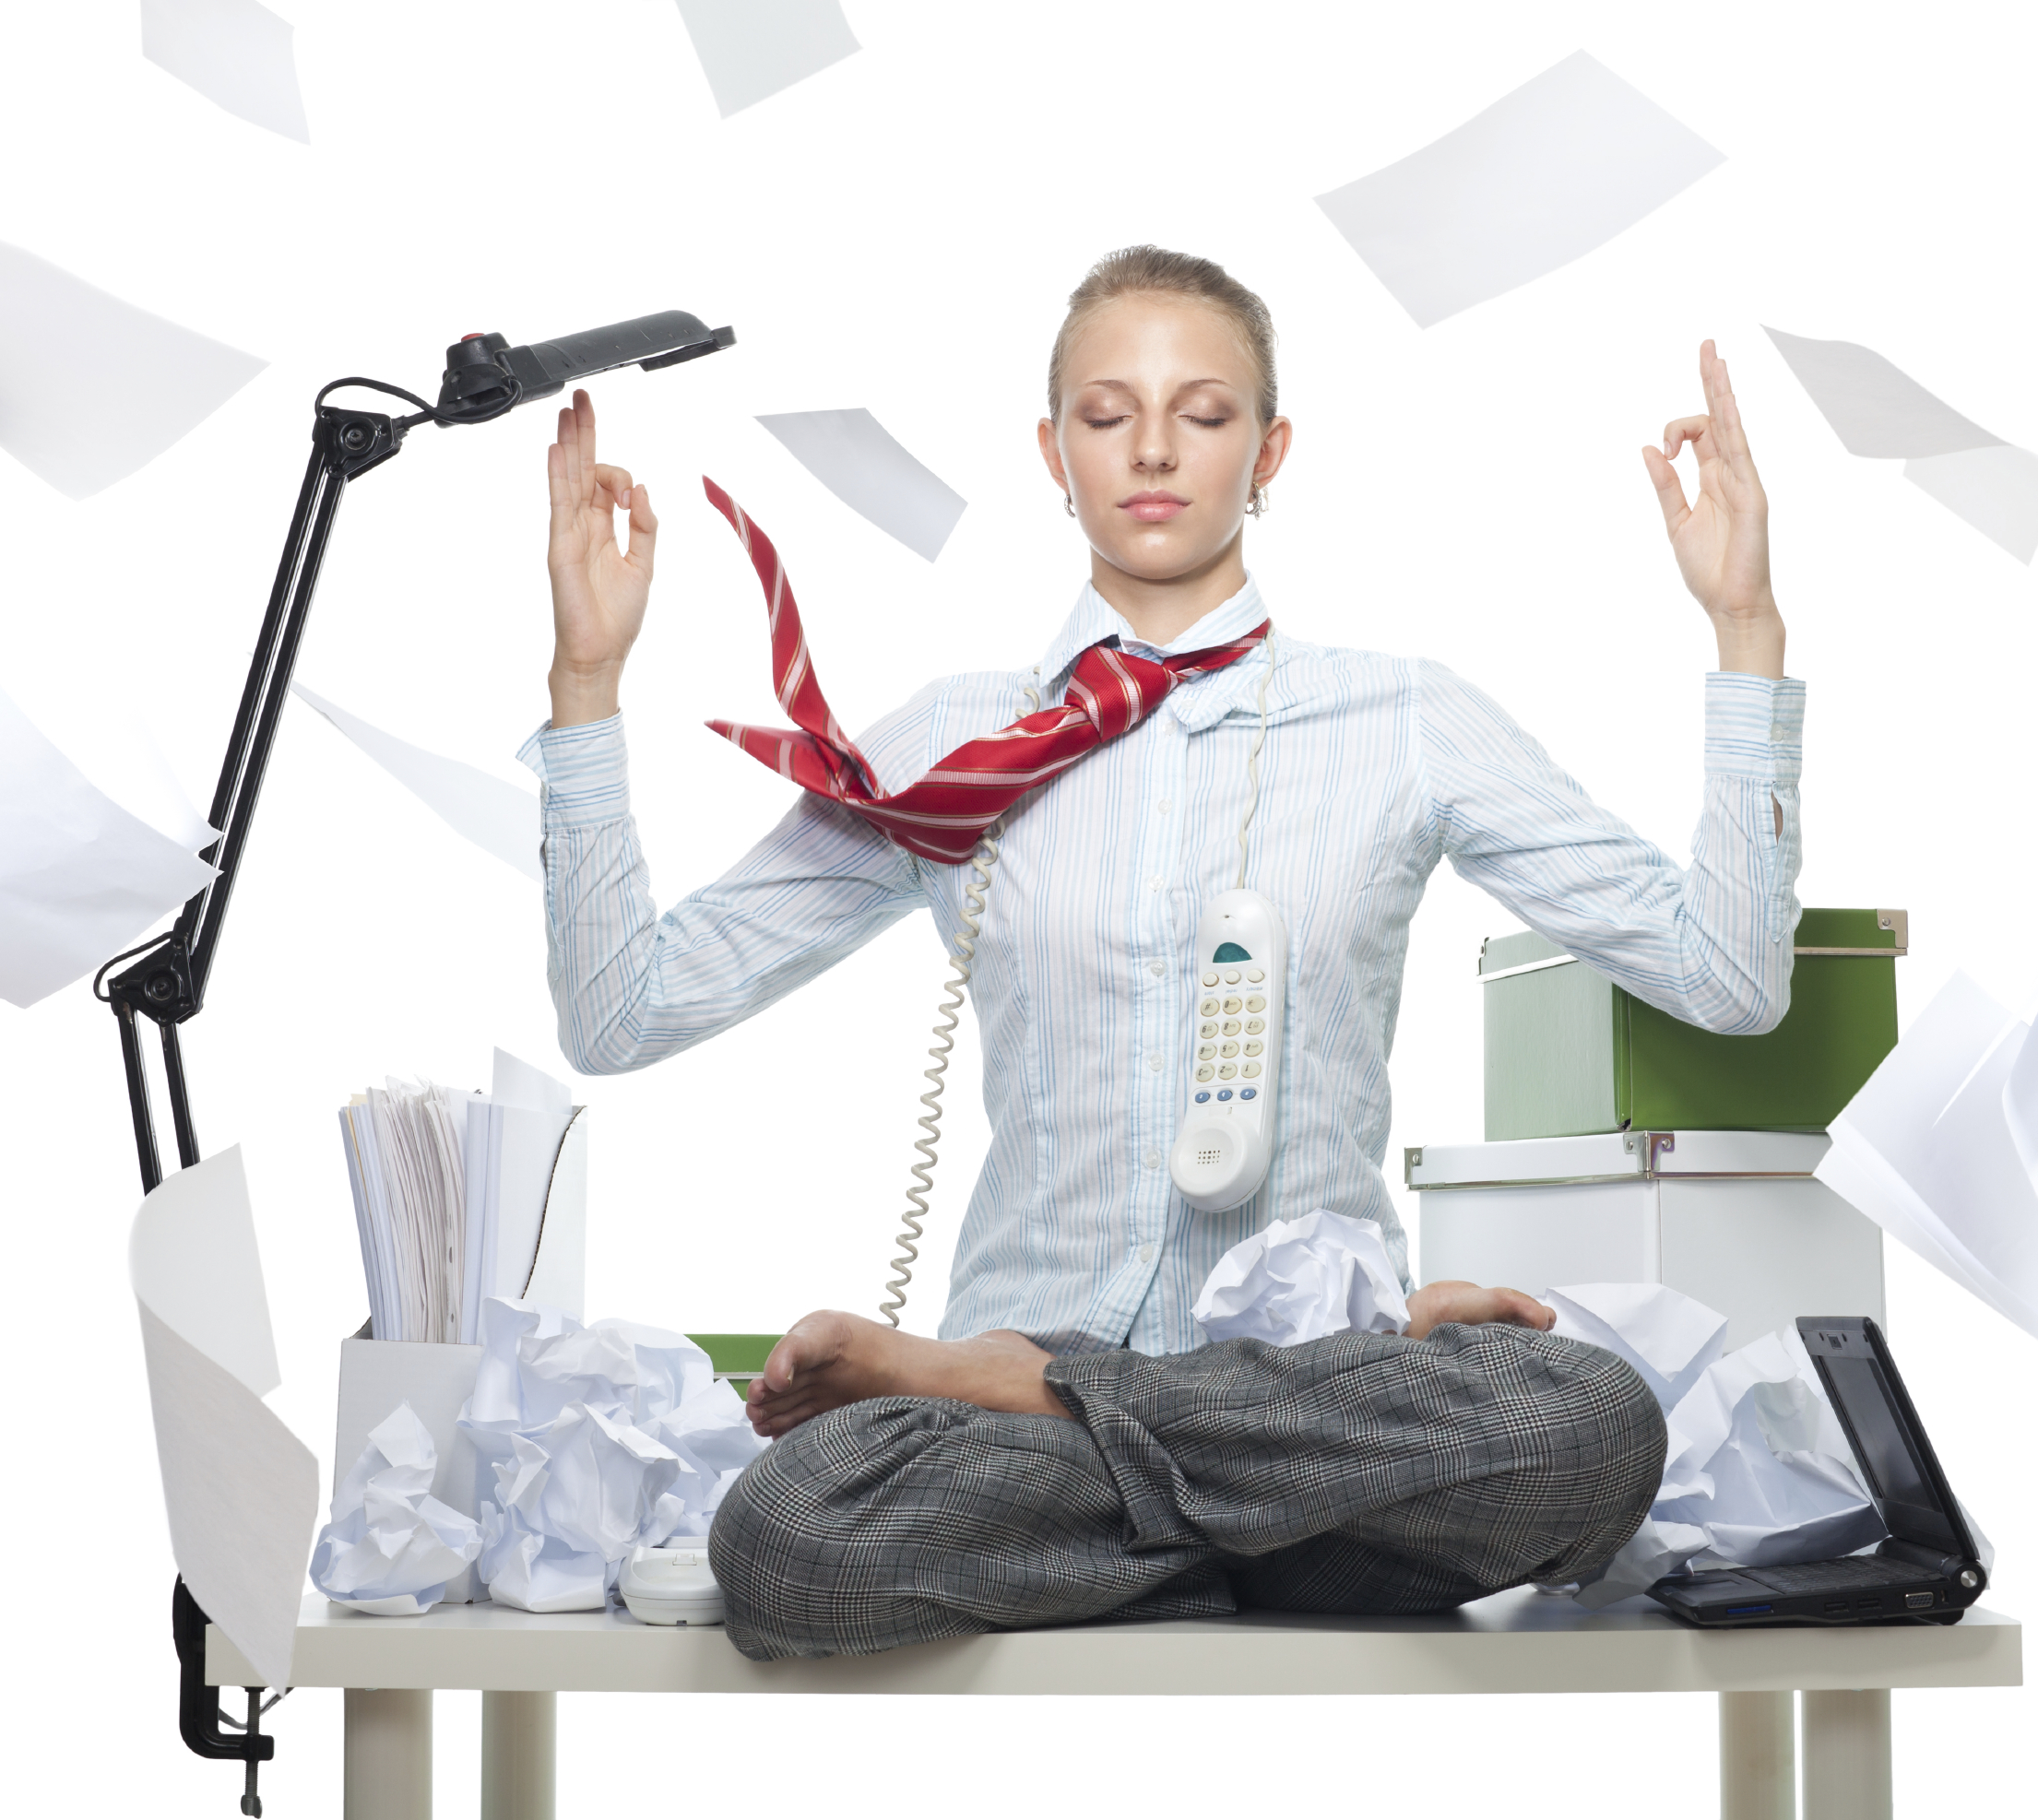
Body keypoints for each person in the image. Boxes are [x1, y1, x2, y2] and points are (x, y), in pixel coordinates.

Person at [522, 246, 1801, 1660]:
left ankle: (1062, 1458)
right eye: (1104, 413)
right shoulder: (954, 741)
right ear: (1051, 453)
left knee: (1589, 1423)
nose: (1149, 449)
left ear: (1269, 451)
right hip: (1266, 1463)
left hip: (1305, 1382)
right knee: (787, 1538)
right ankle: (1203, 1511)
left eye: (1201, 412)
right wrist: (586, 682)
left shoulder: (1404, 721)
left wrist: (1743, 628)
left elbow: (1726, 979)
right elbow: (624, 1011)